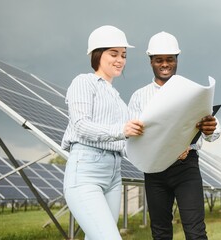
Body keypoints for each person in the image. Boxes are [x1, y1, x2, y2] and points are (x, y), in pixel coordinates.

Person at [128, 31, 221, 240]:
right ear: (151, 61)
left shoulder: (191, 91)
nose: (165, 64)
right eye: (159, 60)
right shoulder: (139, 97)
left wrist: (211, 127)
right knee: (160, 233)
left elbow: (214, 131)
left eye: (170, 59)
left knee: (195, 232)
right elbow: (132, 137)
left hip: (186, 168)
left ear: (177, 60)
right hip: (154, 170)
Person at [61, 25, 144, 240]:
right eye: (113, 54)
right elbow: (80, 125)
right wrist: (122, 130)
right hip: (86, 172)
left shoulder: (118, 99)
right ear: (97, 54)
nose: (120, 60)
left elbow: (126, 141)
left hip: (114, 175)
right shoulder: (84, 82)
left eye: (124, 55)